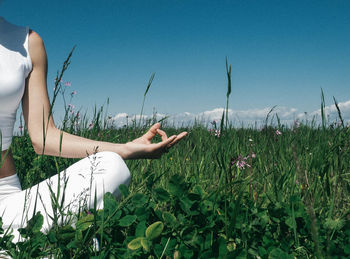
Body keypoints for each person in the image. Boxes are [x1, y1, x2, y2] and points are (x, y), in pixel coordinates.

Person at [0, 15, 187, 243]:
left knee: (112, 167)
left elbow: (44, 137)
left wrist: (126, 149)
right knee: (69, 245)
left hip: (7, 201)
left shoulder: (28, 42)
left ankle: (22, 244)